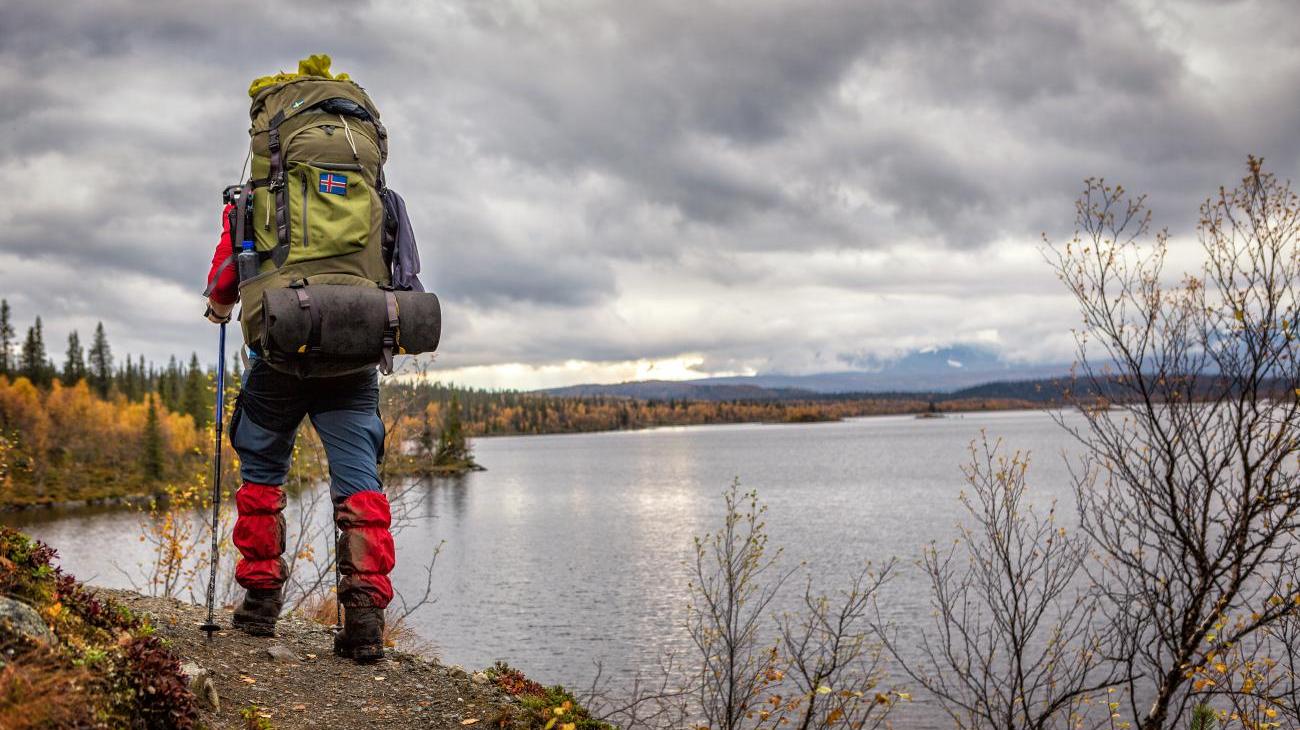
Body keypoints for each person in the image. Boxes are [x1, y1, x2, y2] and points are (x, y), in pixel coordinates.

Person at [203, 172, 396, 665]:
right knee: (359, 484)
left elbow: (226, 278)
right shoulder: (376, 197)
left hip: (278, 359)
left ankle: (260, 605)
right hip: (352, 361)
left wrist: (219, 305)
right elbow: (399, 269)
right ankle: (366, 624)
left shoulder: (254, 198)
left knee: (262, 474)